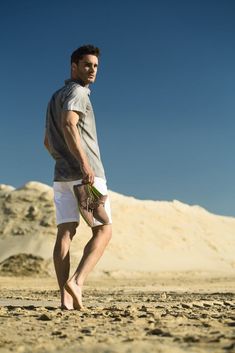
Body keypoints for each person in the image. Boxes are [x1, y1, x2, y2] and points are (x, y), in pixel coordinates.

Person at [44, 45, 112, 310]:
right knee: (103, 230)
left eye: (95, 65)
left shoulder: (54, 97)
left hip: (61, 176)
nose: (92, 70)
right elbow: (69, 123)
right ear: (74, 66)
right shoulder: (78, 91)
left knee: (65, 232)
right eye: (87, 65)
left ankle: (65, 298)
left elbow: (47, 141)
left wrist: (63, 161)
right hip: (86, 176)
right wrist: (83, 165)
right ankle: (78, 282)